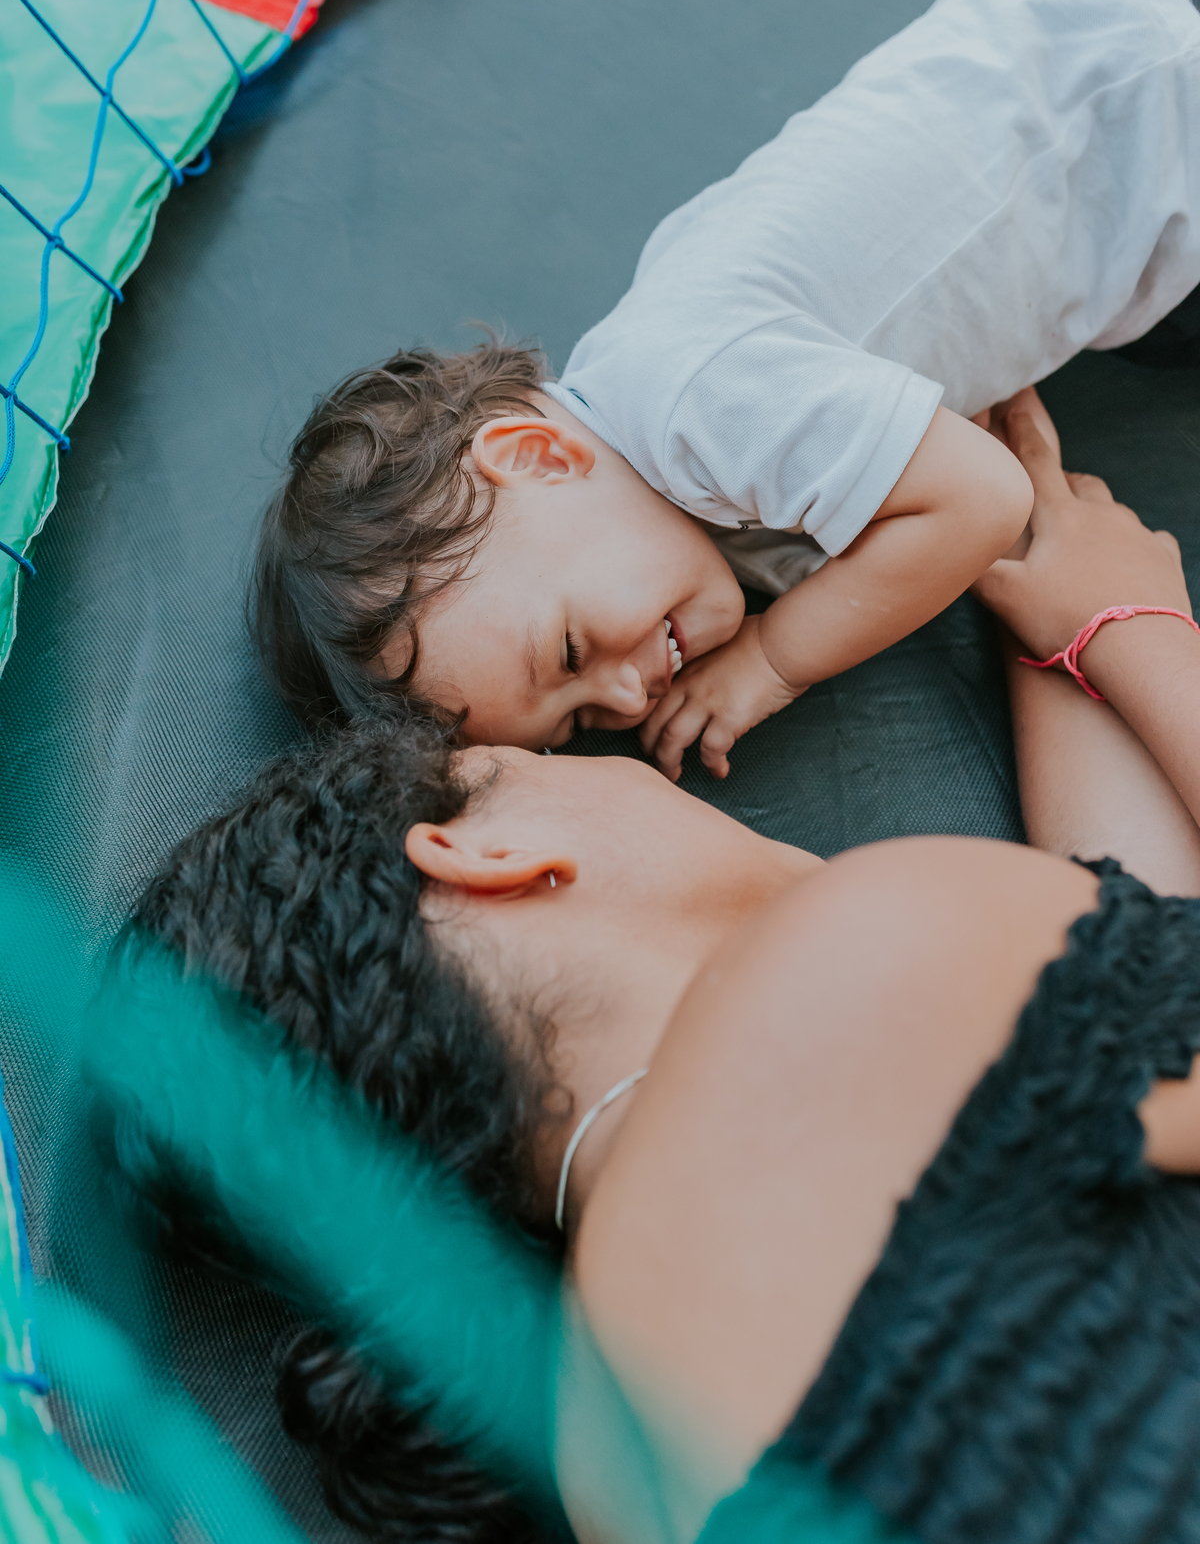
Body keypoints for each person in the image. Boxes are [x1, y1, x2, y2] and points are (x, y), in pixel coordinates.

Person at [122, 401, 1200, 1544]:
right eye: (544, 754)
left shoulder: (603, 1469)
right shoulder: (853, 972)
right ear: (485, 854)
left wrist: (1076, 641)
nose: (633, 737)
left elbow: (1112, 1037)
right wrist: (1147, 643)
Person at [254, 0, 1200, 781]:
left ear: (538, 455)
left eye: (572, 653)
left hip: (1148, 81)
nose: (627, 698)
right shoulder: (676, 492)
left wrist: (774, 661)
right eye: (578, 722)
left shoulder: (691, 397)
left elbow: (983, 497)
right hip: (1123, 145)